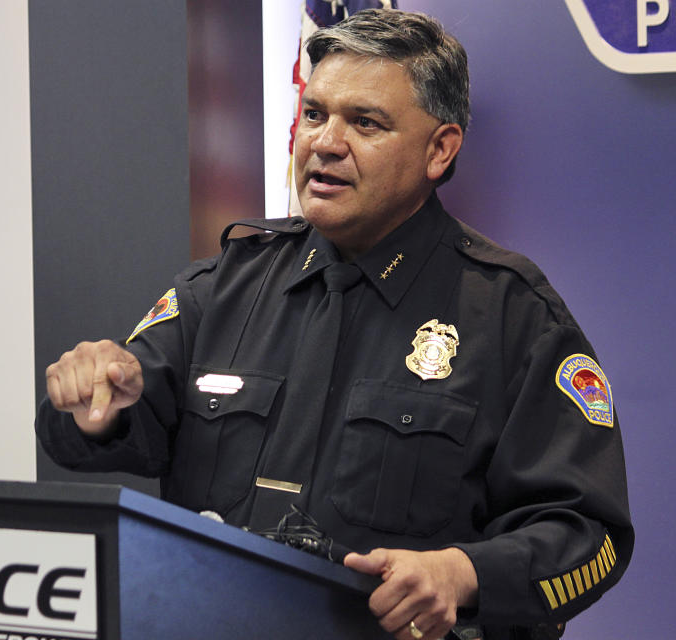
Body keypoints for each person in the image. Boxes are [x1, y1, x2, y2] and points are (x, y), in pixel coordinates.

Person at [37, 9, 633, 640]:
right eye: (316, 113)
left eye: (365, 122)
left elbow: (591, 535)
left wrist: (463, 574)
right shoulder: (223, 287)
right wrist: (94, 405)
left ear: (440, 149)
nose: (323, 142)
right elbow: (94, 428)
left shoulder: (511, 315)